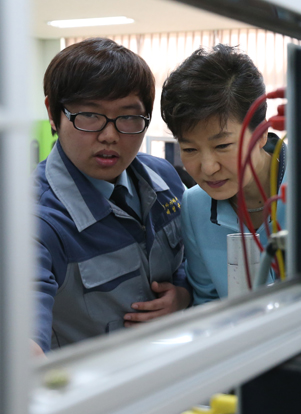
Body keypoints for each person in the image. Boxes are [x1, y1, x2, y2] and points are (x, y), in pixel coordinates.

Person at [33, 38, 191, 354]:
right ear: (54, 113)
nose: (109, 135)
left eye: (129, 117)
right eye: (90, 115)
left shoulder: (165, 179)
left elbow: (189, 260)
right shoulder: (32, 220)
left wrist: (183, 295)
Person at [161, 44, 287, 305]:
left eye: (222, 146)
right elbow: (207, 302)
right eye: (189, 149)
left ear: (262, 132)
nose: (208, 168)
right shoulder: (195, 205)